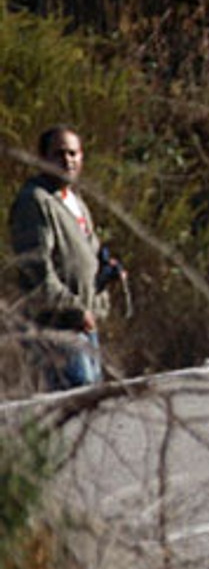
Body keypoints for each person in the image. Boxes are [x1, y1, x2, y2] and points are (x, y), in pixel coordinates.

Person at [10, 126, 125, 389]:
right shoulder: (35, 202)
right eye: (59, 154)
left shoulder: (74, 200)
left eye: (73, 153)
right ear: (42, 158)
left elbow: (90, 252)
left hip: (83, 325)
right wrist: (74, 309)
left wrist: (108, 271)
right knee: (76, 395)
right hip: (58, 327)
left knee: (89, 399)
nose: (67, 160)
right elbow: (36, 269)